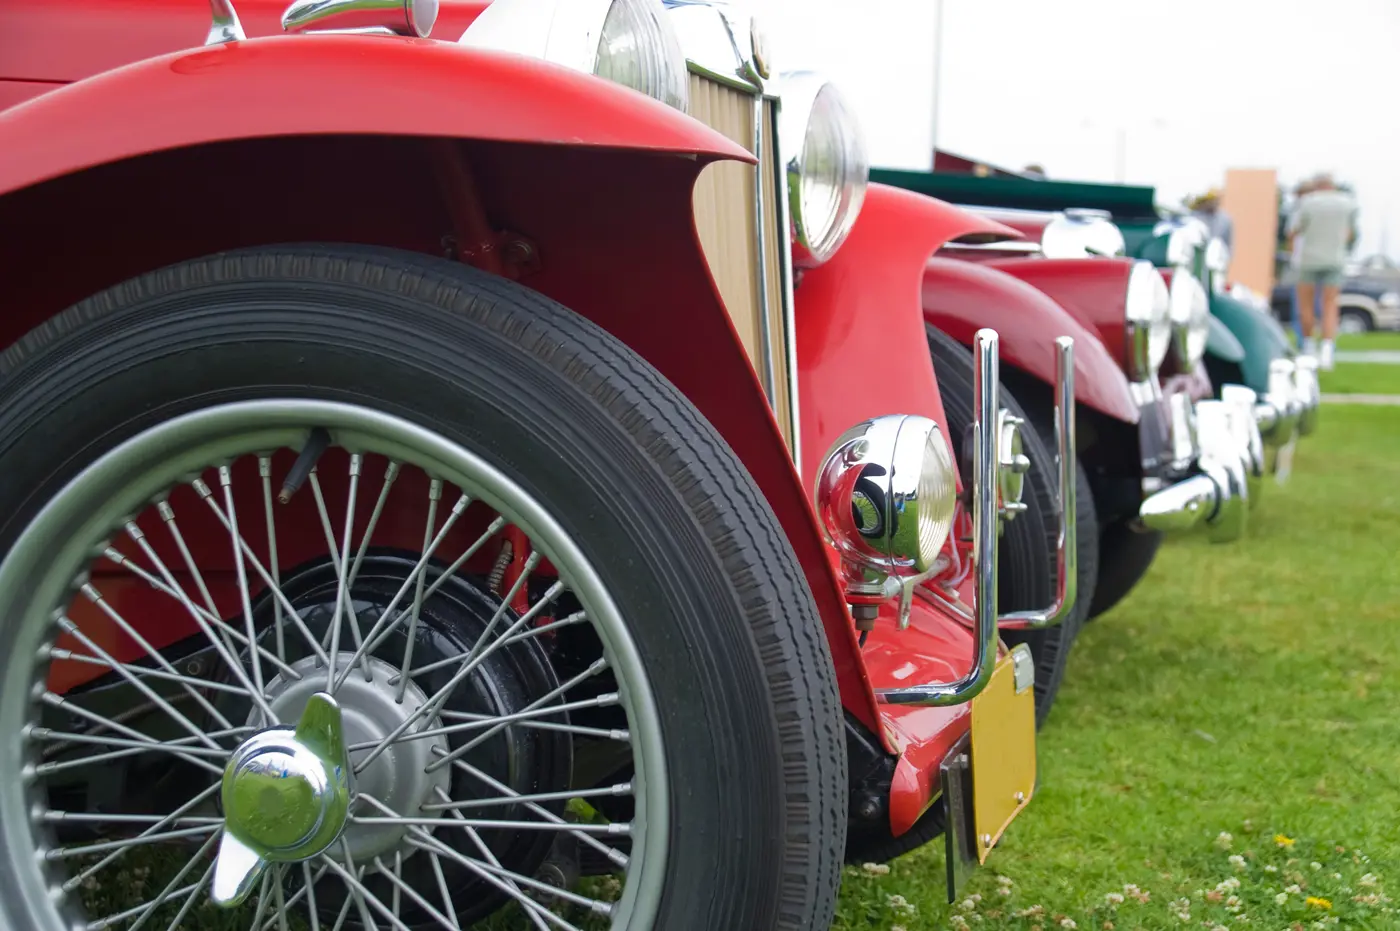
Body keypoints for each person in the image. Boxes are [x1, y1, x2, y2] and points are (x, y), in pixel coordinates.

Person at [1287, 173, 1360, 370]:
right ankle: (1327, 351)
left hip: (1308, 260)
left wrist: (1293, 253)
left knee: (1306, 306)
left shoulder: (1307, 202)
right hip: (1335, 259)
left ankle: (1308, 347)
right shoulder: (1347, 203)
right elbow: (1351, 233)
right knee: (1330, 306)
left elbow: (1293, 231)